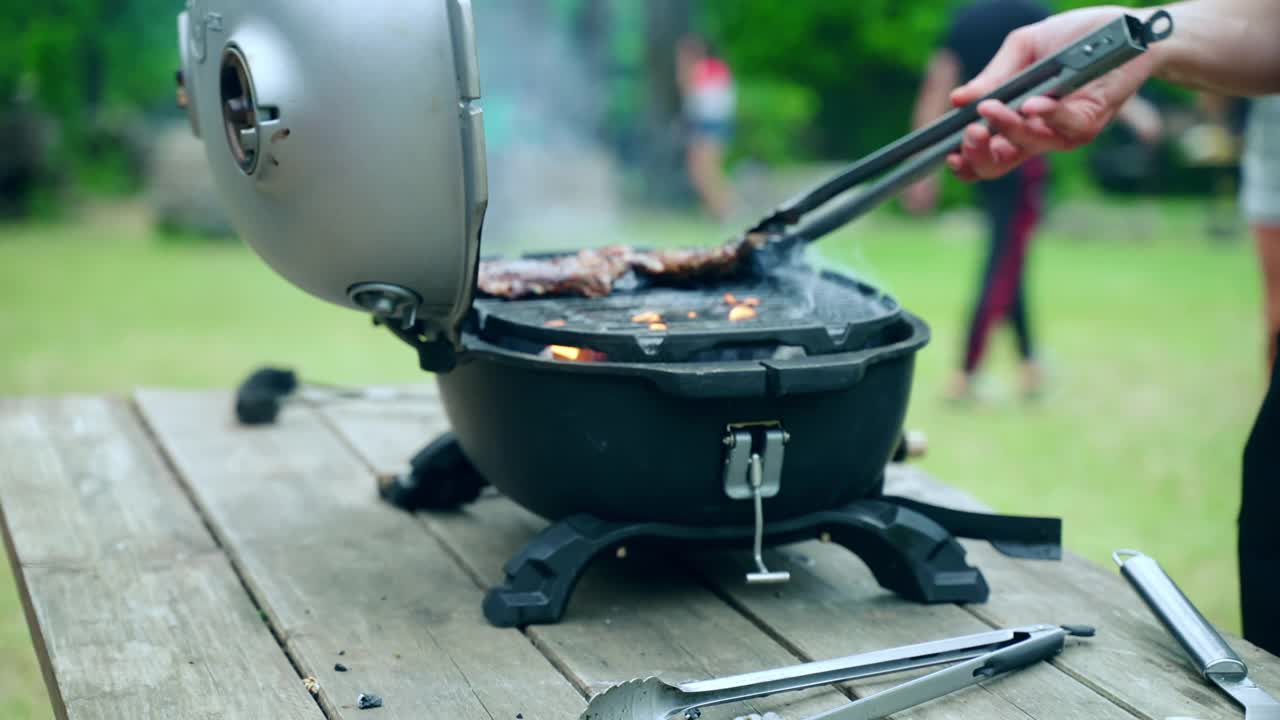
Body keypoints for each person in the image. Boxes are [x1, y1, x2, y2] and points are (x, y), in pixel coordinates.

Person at [942, 0, 1280, 655]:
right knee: (1005, 266)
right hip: (999, 145)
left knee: (1006, 267)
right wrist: (1142, 42)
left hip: (999, 149)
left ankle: (1003, 364)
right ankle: (986, 366)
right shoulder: (1004, 16)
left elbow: (940, 81)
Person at [906, 0, 1164, 402]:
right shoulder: (1033, 13)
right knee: (1004, 258)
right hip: (1020, 152)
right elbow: (1087, 66)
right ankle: (967, 371)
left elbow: (938, 85)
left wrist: (924, 167)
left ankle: (1030, 365)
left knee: (1011, 256)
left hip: (977, 149)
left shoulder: (967, 17)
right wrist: (1137, 113)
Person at [676, 34, 736, 221]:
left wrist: (683, 72)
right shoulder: (715, 68)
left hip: (709, 124)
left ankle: (727, 210)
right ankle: (716, 210)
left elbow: (691, 95)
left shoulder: (700, 69)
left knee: (707, 170)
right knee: (702, 170)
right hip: (711, 123)